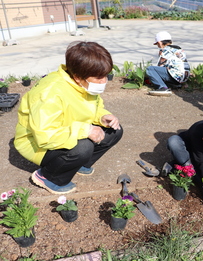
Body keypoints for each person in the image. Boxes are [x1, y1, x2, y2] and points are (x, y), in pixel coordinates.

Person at [14, 41, 123, 194]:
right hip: (36, 142)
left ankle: (78, 164)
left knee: (114, 130)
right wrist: (85, 130)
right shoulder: (50, 93)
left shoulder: (80, 83)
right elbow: (44, 135)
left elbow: (94, 105)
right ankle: (48, 176)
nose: (104, 81)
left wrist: (102, 116)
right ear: (78, 77)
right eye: (99, 77)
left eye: (106, 75)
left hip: (67, 130)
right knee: (83, 147)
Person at [146, 31, 190, 97]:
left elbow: (160, 66)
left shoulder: (164, 50)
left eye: (157, 44)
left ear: (160, 43)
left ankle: (162, 88)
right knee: (169, 69)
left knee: (150, 69)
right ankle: (176, 85)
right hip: (184, 77)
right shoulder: (179, 49)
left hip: (175, 77)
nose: (158, 46)